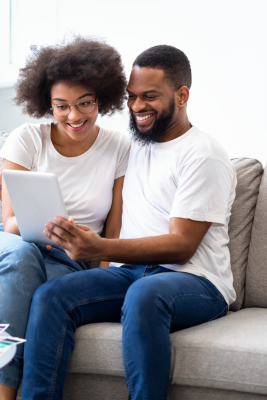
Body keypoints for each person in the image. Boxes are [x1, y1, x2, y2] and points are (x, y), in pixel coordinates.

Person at [0, 36, 131, 400]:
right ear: (46, 102)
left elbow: (115, 228)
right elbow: (12, 225)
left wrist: (101, 277)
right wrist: (47, 224)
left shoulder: (119, 148)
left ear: (102, 100)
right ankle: (3, 395)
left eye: (84, 104)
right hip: (1, 246)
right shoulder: (26, 139)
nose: (74, 116)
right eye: (61, 106)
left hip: (65, 263)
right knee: (21, 255)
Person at [21, 45, 236, 400]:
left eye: (149, 96)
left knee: (144, 294)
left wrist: (101, 247)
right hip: (132, 272)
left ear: (182, 95)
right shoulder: (133, 145)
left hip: (196, 280)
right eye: (132, 97)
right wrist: (11, 167)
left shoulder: (204, 154)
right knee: (51, 296)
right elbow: (72, 140)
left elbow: (182, 245)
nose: (137, 107)